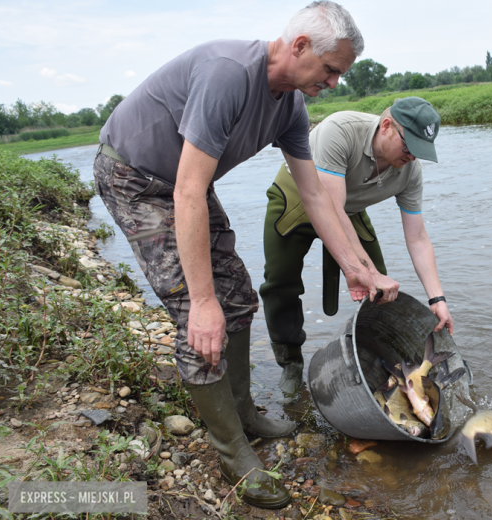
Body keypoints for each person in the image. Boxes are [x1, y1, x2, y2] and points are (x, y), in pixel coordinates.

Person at [93, 1, 391, 509]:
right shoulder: (228, 74)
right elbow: (187, 192)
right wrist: (203, 301)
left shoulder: (291, 105)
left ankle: (244, 410)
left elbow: (316, 195)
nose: (335, 83)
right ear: (299, 46)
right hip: (136, 178)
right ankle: (231, 449)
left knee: (240, 297)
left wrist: (357, 268)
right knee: (198, 310)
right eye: (331, 70)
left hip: (184, 182)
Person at [261, 97, 454, 396]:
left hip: (347, 210)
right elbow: (330, 209)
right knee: (279, 283)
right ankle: (291, 364)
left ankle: (380, 364)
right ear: (387, 126)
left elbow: (417, 238)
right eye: (409, 146)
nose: (413, 157)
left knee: (383, 290)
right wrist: (365, 270)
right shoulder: (341, 130)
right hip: (297, 199)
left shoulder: (409, 171)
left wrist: (437, 298)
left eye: (420, 151)